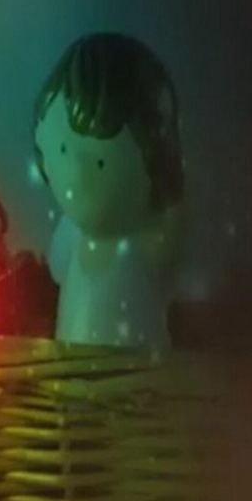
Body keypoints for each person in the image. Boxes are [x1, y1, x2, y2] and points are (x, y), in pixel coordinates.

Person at [32, 33, 185, 347]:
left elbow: (173, 234)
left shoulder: (146, 244)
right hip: (68, 367)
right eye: (62, 150)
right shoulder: (70, 234)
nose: (77, 174)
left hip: (137, 374)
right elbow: (57, 268)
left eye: (100, 162)